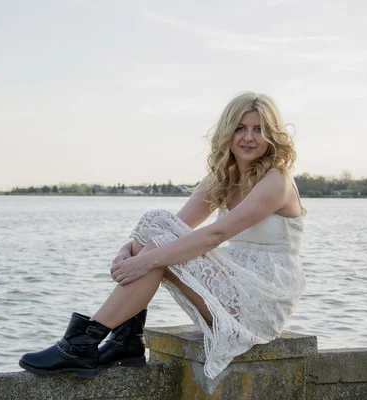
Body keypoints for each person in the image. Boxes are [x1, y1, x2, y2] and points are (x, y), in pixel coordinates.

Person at [19, 91, 307, 379]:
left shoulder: (276, 180)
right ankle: (125, 339)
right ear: (227, 133)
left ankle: (83, 342)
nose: (249, 137)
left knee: (160, 246)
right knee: (154, 220)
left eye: (259, 129)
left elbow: (216, 234)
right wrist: (127, 250)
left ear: (273, 136)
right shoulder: (222, 179)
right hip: (233, 281)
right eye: (241, 128)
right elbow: (172, 226)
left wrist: (145, 261)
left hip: (261, 300)